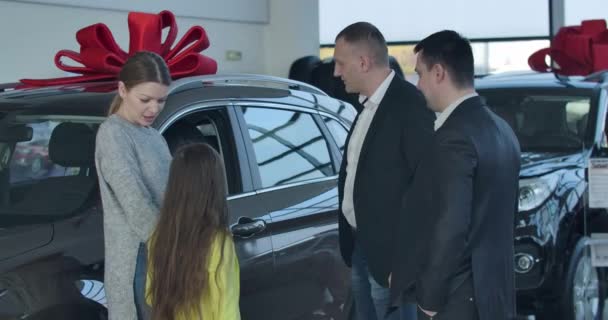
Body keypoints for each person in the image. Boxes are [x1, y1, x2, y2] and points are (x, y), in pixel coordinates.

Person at [404, 30, 520, 320]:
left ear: (439, 72)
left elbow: (451, 226)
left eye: (420, 74)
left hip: (458, 300)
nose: (418, 85)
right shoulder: (502, 130)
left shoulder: (453, 137)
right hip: (497, 293)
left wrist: (429, 298)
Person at [332, 22, 434, 320]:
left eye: (340, 63)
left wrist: (408, 263)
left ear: (363, 62)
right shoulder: (365, 107)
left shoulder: (410, 106)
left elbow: (427, 190)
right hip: (361, 248)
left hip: (393, 261)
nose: (336, 73)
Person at [95, 51, 173, 320]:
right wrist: (178, 244)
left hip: (161, 251)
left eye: (161, 100)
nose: (154, 109)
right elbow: (136, 204)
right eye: (145, 99)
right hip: (139, 257)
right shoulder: (113, 134)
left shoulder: (153, 136)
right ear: (122, 89)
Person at [145, 143, 240, 320]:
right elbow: (228, 310)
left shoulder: (158, 237)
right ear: (214, 187)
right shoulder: (218, 243)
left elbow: (151, 297)